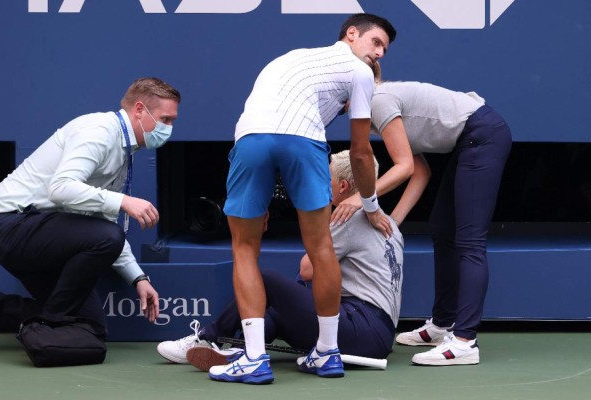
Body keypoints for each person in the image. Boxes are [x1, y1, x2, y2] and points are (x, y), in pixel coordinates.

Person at [214, 12, 397, 384]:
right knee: (321, 247)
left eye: (384, 49)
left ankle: (252, 358)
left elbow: (271, 125)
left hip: (251, 139)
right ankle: (327, 354)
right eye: (376, 43)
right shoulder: (361, 72)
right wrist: (371, 205)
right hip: (303, 142)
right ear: (351, 35)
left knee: (244, 248)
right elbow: (361, 154)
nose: (379, 53)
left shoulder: (291, 58)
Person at [331, 63, 512, 366]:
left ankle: (465, 340)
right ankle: (443, 325)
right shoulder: (375, 109)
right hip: (470, 140)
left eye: (339, 96)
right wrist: (393, 222)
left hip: (482, 135)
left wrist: (362, 199)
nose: (338, 104)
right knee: (442, 229)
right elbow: (421, 171)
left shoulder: (378, 100)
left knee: (469, 242)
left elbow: (404, 168)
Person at [157, 150, 404, 372]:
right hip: (378, 335)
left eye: (326, 177)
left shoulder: (348, 217)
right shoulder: (389, 222)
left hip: (360, 327)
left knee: (267, 281)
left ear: (342, 186)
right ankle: (239, 349)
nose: (322, 183)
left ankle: (209, 337)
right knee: (275, 312)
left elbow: (307, 270)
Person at [0, 77, 181, 340]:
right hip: (9, 224)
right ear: (139, 110)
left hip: (42, 234)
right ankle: (51, 324)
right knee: (107, 237)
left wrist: (138, 278)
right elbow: (60, 188)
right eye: (166, 119)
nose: (169, 128)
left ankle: (40, 318)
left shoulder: (124, 148)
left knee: (89, 328)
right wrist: (125, 202)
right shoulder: (99, 132)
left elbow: (102, 221)